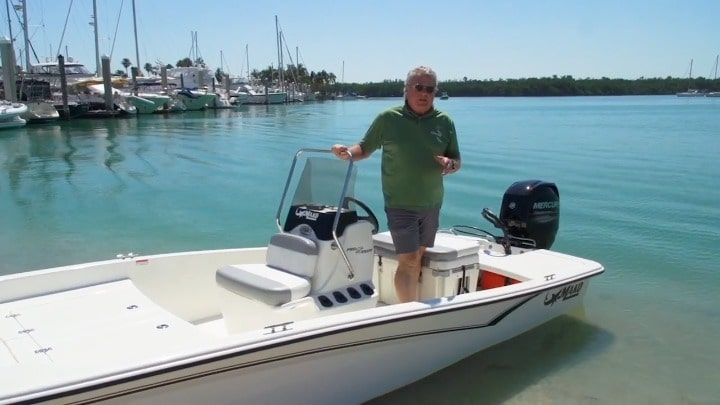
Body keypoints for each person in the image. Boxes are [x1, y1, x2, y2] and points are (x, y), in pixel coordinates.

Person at [331, 65, 461, 303]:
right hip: (400, 203)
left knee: (419, 256)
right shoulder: (388, 119)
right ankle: (408, 314)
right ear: (406, 89)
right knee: (409, 259)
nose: (424, 94)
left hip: (432, 202)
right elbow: (365, 148)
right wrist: (347, 153)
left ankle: (413, 304)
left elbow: (456, 160)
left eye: (430, 89)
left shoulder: (445, 122)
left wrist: (451, 164)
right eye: (419, 87)